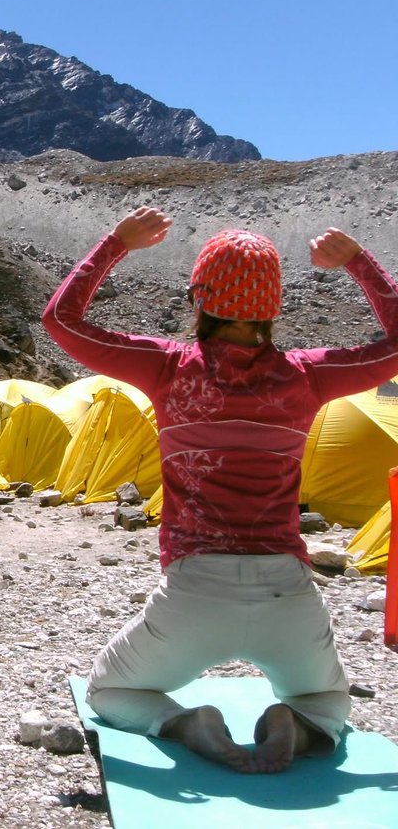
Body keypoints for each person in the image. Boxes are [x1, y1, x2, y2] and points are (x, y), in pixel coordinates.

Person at [42, 206, 398, 774]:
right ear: (273, 307)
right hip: (288, 592)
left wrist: (115, 245)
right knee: (329, 704)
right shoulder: (309, 374)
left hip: (194, 593)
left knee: (109, 693)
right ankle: (300, 726)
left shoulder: (168, 366)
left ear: (199, 298)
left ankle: (185, 722)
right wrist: (358, 263)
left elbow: (61, 321)